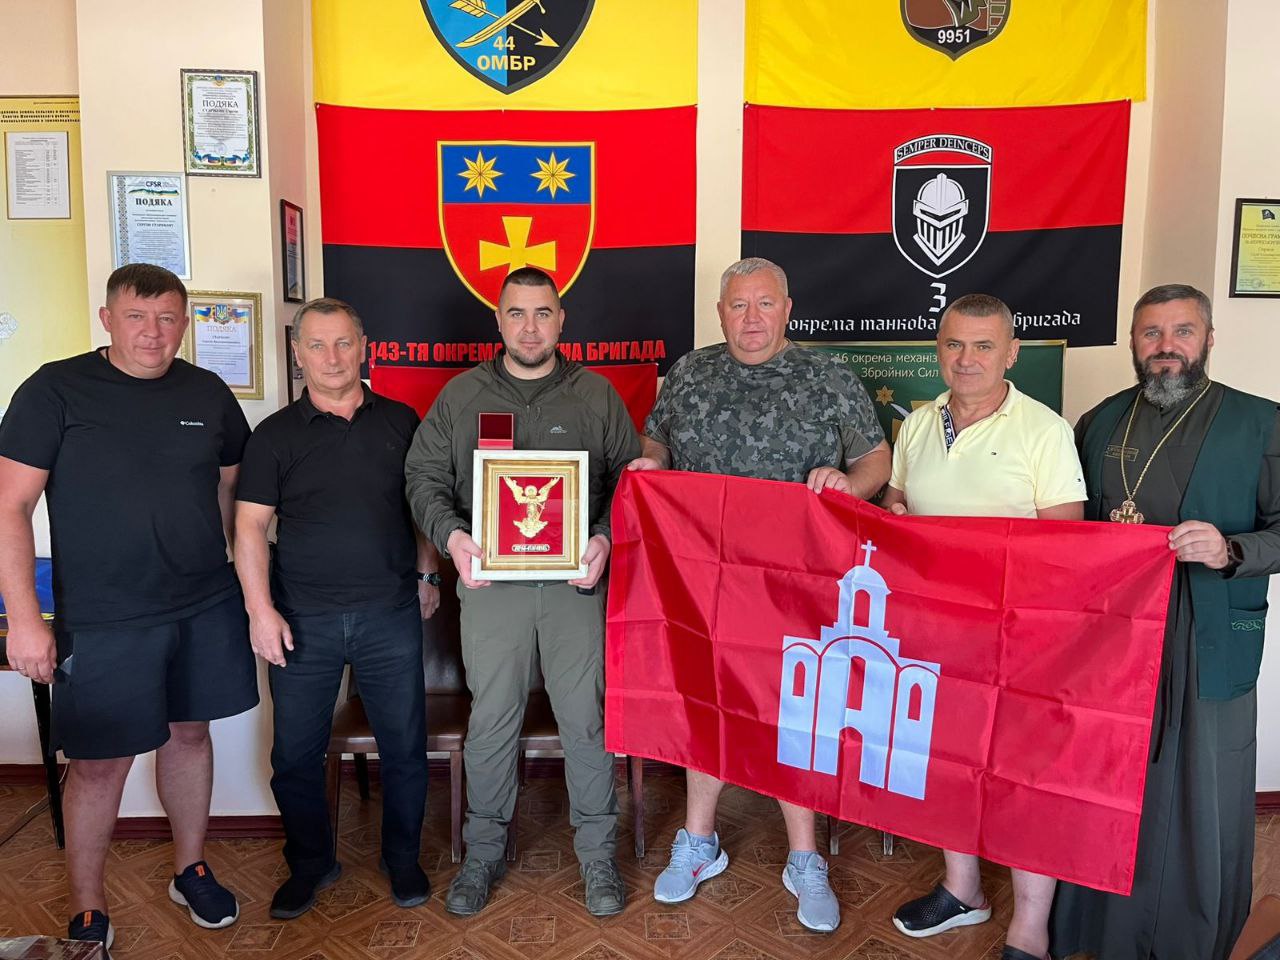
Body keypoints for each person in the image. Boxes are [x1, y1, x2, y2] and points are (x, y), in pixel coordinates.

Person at [0, 264, 258, 952]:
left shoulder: (207, 392)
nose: (153, 333)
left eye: (168, 318)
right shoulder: (54, 389)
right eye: (137, 317)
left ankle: (190, 868)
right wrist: (25, 620)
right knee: (98, 764)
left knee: (190, 736)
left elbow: (231, 488)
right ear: (107, 319)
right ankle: (88, 903)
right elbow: (10, 507)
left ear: (185, 324)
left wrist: (239, 577)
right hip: (104, 614)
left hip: (202, 604)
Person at [629, 256, 891, 933]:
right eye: (738, 305)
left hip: (796, 581)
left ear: (787, 309)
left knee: (793, 710)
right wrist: (652, 464)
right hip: (703, 579)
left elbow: (875, 459)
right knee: (705, 698)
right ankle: (699, 841)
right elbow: (657, 441)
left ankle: (805, 858)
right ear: (720, 313)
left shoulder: (828, 377)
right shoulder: (690, 372)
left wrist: (850, 485)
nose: (751, 318)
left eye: (765, 303)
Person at [1049, 284, 1280, 960]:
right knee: (1107, 775)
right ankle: (1099, 929)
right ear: (1133, 342)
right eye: (1151, 333)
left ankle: (1190, 937)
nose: (1165, 347)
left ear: (1208, 339)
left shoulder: (1261, 422)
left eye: (1182, 331)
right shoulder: (1098, 421)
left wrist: (1230, 549)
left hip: (1207, 629)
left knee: (1200, 783)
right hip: (1113, 634)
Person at [404, 266, 639, 918]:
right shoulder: (462, 396)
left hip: (573, 587)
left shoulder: (595, 396)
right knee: (493, 721)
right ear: (498, 320)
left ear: (561, 320)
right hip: (491, 587)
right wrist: (452, 537)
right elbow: (423, 477)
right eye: (516, 313)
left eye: (542, 313)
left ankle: (598, 857)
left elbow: (630, 481)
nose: (530, 327)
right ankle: (482, 854)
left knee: (585, 722)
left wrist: (603, 539)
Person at [882, 294, 1085, 960]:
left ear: (1011, 353)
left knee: (1024, 778)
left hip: (1017, 638)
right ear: (938, 350)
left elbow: (1064, 544)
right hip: (933, 632)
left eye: (983, 346)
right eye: (954, 344)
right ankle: (963, 889)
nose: (966, 359)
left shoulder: (1044, 429)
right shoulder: (917, 424)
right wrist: (889, 513)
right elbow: (898, 505)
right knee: (946, 762)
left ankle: (1031, 927)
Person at [233, 298, 439, 919]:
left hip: (390, 613)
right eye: (318, 345)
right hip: (302, 621)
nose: (332, 357)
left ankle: (402, 859)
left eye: (344, 343)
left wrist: (428, 573)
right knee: (294, 756)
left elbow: (424, 506)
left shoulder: (402, 422)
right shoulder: (273, 436)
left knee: (405, 748)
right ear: (298, 355)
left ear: (364, 346)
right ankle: (311, 864)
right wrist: (260, 611)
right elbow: (249, 528)